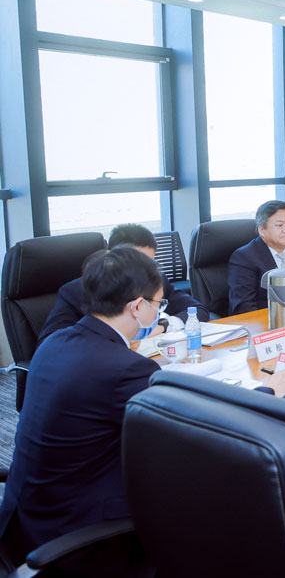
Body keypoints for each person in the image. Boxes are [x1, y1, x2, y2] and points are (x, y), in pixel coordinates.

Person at [0, 247, 163, 566]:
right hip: (80, 541)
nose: (158, 313)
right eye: (158, 304)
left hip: (25, 522)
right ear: (137, 306)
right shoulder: (126, 368)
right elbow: (174, 436)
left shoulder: (54, 343)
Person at [38, 223, 208, 345]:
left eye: (149, 263)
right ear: (112, 257)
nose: (144, 272)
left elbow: (197, 311)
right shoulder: (76, 291)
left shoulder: (156, 281)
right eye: (135, 262)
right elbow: (50, 343)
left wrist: (162, 326)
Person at [228, 200, 285, 315]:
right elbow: (244, 307)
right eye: (279, 225)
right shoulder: (244, 258)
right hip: (264, 320)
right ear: (262, 230)